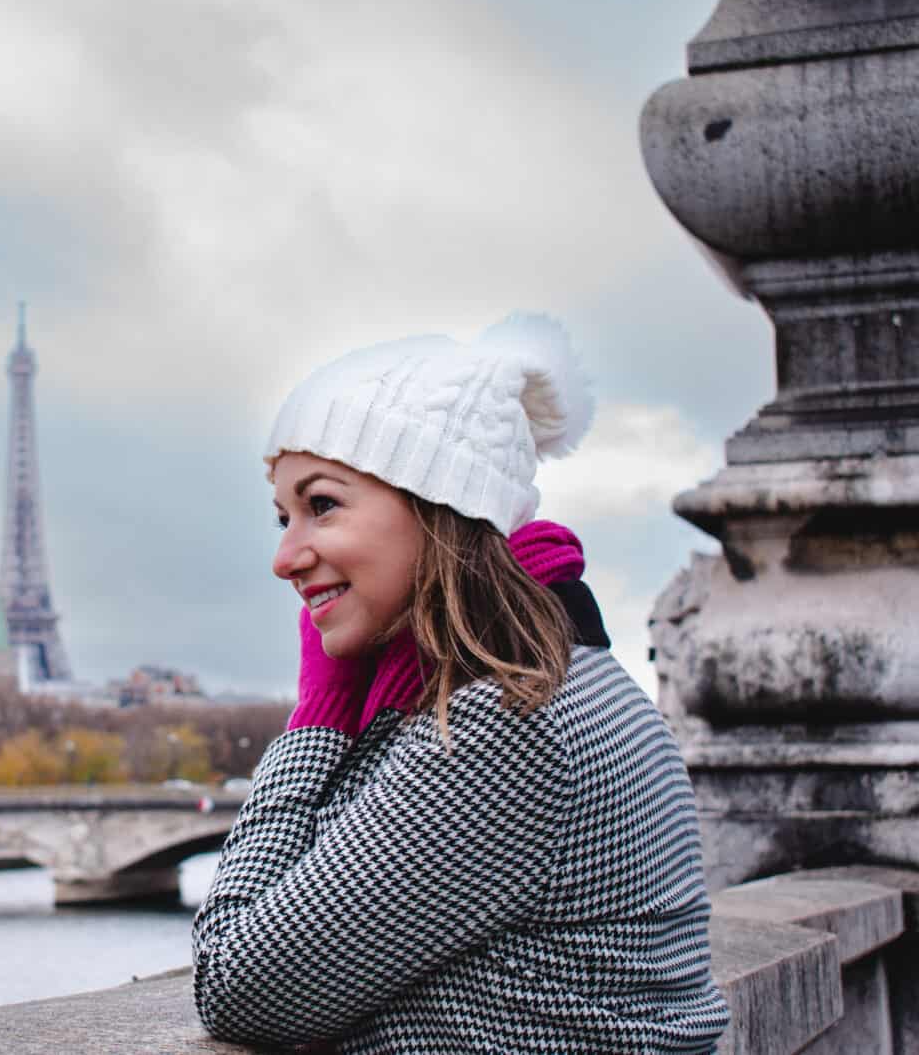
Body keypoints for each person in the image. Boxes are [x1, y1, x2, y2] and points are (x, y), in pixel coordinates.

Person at [192, 315, 730, 1053]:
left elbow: (236, 985)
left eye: (322, 505)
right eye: (282, 516)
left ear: (439, 499)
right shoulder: (575, 680)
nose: (285, 557)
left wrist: (318, 715)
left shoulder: (505, 722)